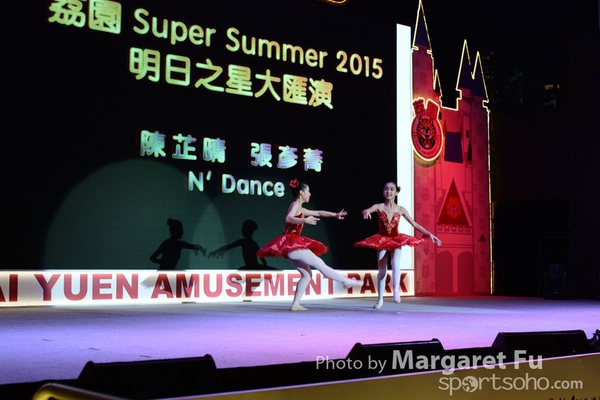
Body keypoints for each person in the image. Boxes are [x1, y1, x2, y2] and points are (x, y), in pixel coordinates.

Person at [257, 179, 363, 311]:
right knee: (320, 264)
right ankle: (345, 281)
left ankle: (295, 304)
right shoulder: (295, 205)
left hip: (290, 247)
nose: (310, 194)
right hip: (292, 244)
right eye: (308, 191)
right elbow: (288, 218)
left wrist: (335, 215)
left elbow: (318, 212)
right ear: (301, 193)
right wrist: (304, 220)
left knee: (307, 275)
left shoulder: (300, 208)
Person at [354, 181, 441, 309]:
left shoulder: (400, 209)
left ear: (396, 192)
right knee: (382, 270)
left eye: (391, 189)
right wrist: (366, 212)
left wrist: (429, 234)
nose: (388, 191)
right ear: (383, 192)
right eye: (386, 189)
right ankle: (380, 299)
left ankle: (396, 290)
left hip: (396, 240)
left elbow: (414, 224)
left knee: (395, 262)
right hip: (382, 240)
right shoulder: (379, 206)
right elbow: (366, 210)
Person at [207, 219, 275, 270]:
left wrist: (215, 251)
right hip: (251, 267)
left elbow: (262, 259)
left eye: (243, 229)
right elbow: (262, 259)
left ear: (246, 230)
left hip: (252, 268)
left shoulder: (247, 242)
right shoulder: (250, 243)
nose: (241, 230)